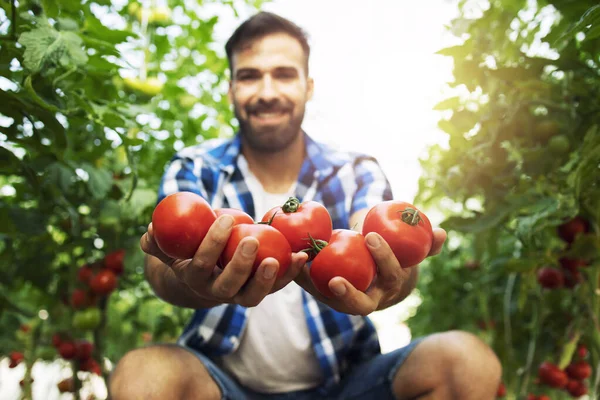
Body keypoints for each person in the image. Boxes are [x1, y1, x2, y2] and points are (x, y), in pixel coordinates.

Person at [109, 11, 502, 400]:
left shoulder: (354, 170)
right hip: (223, 384)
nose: (266, 91)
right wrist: (194, 283)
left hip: (347, 385)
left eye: (283, 74)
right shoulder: (196, 169)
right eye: (249, 76)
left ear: (307, 86)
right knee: (143, 376)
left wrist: (389, 273)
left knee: (467, 362)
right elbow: (161, 265)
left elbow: (377, 236)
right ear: (230, 89)